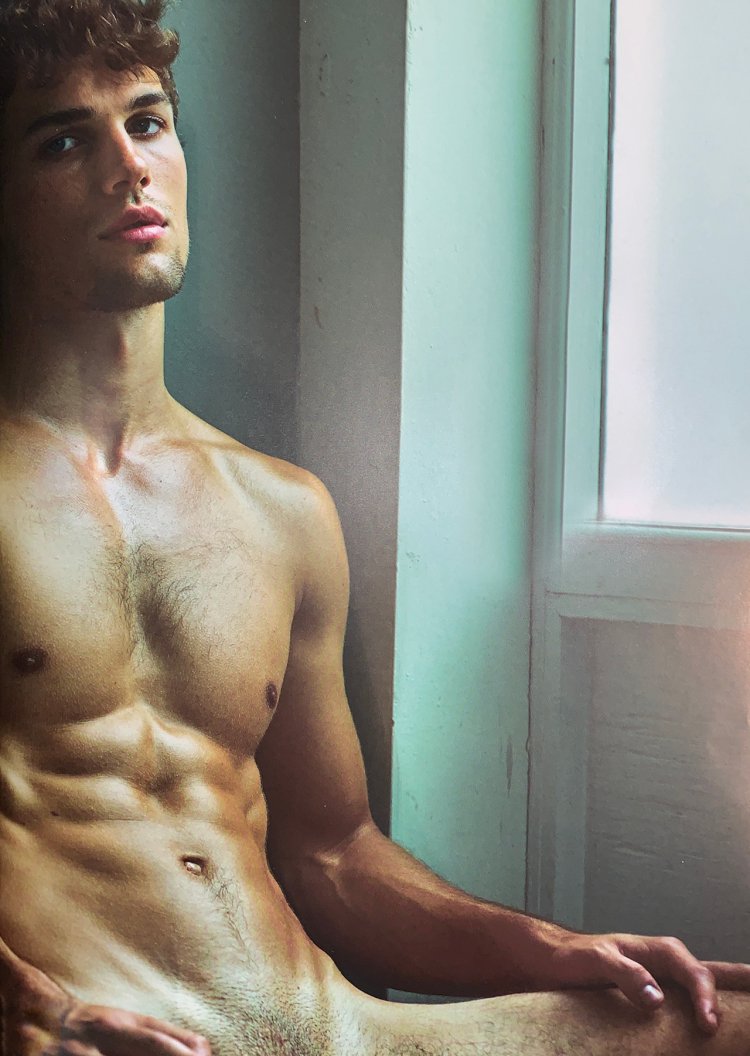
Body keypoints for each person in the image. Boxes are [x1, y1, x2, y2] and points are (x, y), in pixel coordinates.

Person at [0, 3, 749, 1054]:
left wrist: (545, 945)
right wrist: (28, 1010)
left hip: (338, 1032)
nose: (130, 165)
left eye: (150, 122)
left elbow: (334, 856)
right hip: (119, 1039)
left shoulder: (282, 511)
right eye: (65, 139)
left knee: (724, 1016)